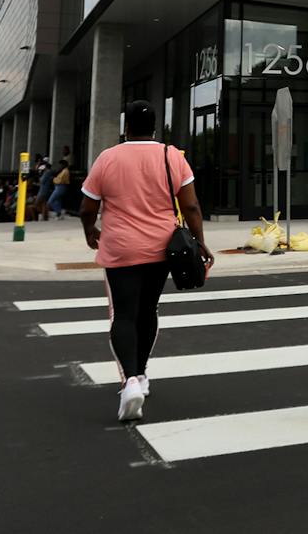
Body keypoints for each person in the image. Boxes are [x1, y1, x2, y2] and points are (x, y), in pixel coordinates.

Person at [79, 100, 213, 422]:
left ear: (126, 128)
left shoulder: (108, 158)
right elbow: (191, 206)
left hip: (120, 249)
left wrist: (89, 229)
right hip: (160, 249)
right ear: (156, 127)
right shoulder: (172, 157)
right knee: (148, 309)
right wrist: (200, 240)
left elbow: (87, 207)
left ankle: (131, 381)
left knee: (124, 314)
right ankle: (142, 374)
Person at [35, 157, 55, 221]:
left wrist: (40, 175)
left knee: (37, 202)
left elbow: (42, 180)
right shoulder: (49, 172)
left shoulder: (47, 172)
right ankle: (44, 216)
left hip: (43, 190)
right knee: (44, 203)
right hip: (45, 189)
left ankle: (44, 215)